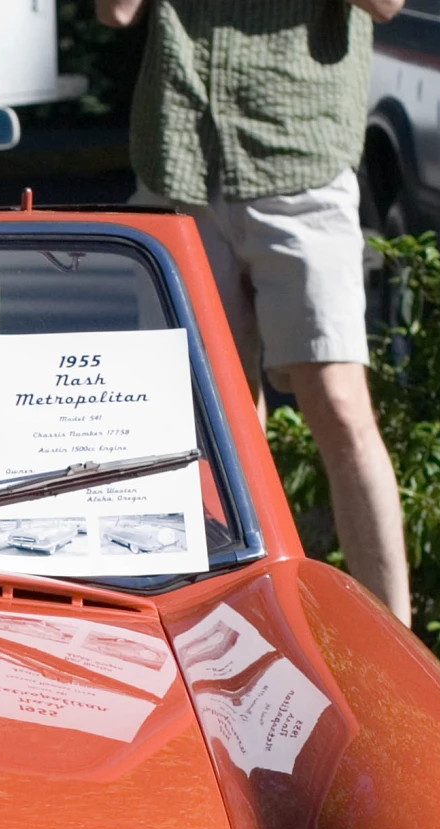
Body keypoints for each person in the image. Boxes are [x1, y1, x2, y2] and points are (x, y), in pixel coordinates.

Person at [96, 0, 411, 623]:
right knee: (209, 424)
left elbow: (387, 6)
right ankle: (237, 631)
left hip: (300, 152)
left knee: (341, 405)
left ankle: (400, 653)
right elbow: (116, 12)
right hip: (180, 155)